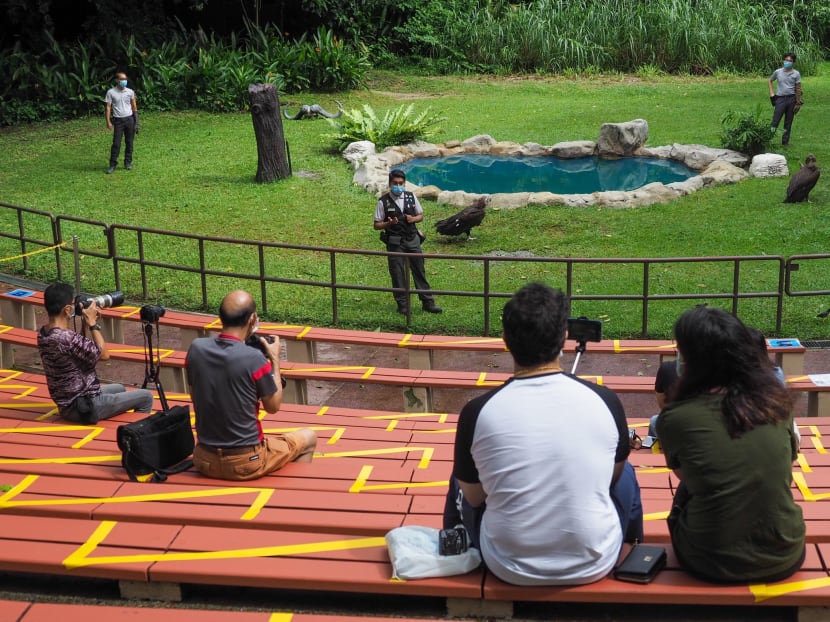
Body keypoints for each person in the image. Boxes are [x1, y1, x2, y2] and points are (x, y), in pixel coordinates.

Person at [443, 282, 643, 586]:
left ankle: (454, 543)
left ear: (505, 341)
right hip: (595, 561)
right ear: (564, 337)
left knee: (461, 478)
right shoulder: (606, 400)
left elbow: (474, 496)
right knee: (626, 469)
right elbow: (612, 477)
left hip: (508, 565)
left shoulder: (476, 412)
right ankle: (633, 546)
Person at [656, 306, 805, 583]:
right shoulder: (778, 403)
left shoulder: (676, 417)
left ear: (691, 360)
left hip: (708, 559)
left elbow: (687, 476)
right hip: (786, 550)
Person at [185, 290, 317, 481]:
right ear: (253, 319)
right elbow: (273, 407)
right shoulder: (254, 358)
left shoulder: (196, 348)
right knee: (309, 437)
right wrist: (275, 360)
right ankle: (294, 496)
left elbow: (194, 393)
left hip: (204, 460)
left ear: (220, 317)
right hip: (246, 462)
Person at [37, 282, 154, 424]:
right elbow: (104, 355)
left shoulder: (44, 333)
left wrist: (86, 324)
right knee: (146, 396)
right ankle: (138, 432)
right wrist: (93, 323)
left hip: (68, 403)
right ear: (67, 310)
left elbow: (78, 348)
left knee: (120, 389)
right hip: (85, 407)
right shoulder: (65, 337)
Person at [374, 169, 442, 315]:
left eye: (401, 183)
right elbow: (376, 225)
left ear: (404, 183)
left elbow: (420, 215)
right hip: (395, 242)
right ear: (390, 183)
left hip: (412, 239)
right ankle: (403, 305)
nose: (398, 186)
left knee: (419, 271)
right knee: (397, 273)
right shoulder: (383, 202)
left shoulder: (411, 197)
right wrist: (388, 224)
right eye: (395, 183)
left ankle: (428, 302)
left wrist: (413, 219)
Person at [105, 71, 139, 173]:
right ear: (117, 80)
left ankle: (128, 162)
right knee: (116, 143)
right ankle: (112, 164)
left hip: (129, 119)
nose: (124, 81)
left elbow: (134, 107)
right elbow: (108, 108)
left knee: (129, 142)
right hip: (118, 121)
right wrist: (108, 122)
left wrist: (137, 122)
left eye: (125, 79)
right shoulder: (111, 92)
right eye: (122, 79)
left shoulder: (130, 92)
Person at [768, 52, 802, 146]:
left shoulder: (796, 74)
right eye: (786, 60)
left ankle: (785, 142)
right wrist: (772, 94)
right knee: (775, 121)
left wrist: (798, 102)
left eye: (790, 61)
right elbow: (770, 80)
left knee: (788, 122)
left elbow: (798, 88)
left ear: (793, 62)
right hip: (780, 99)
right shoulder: (778, 72)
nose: (788, 62)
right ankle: (767, 139)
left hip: (792, 99)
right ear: (783, 60)